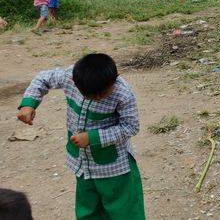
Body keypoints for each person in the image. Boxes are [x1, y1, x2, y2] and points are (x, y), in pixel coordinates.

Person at [16, 53, 145, 219]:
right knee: (88, 210)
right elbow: (42, 78)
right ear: (74, 82)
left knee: (125, 211)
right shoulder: (68, 76)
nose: (95, 98)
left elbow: (130, 127)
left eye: (101, 94)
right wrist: (28, 104)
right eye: (88, 95)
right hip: (82, 165)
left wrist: (93, 138)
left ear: (115, 78)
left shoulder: (123, 94)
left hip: (115, 169)